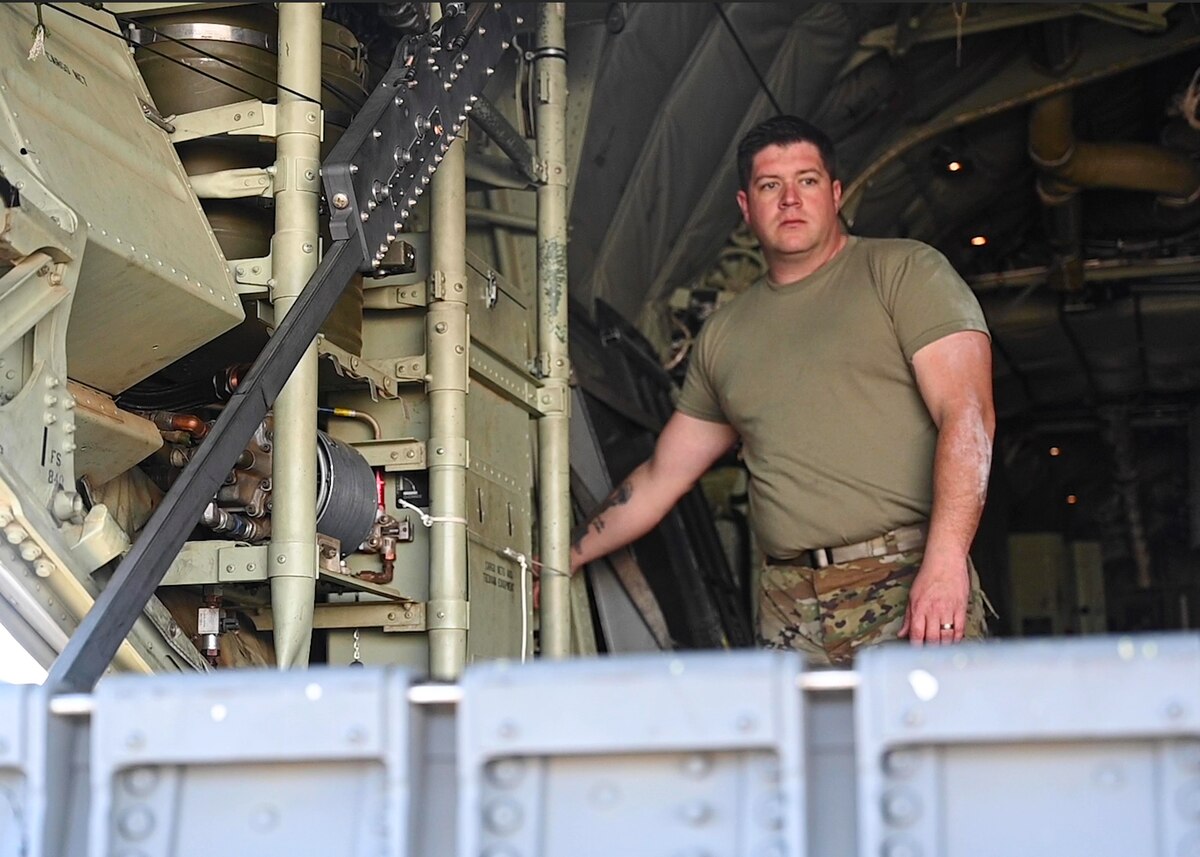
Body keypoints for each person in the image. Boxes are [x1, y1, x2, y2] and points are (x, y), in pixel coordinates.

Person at [569, 115, 995, 665]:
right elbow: (660, 478)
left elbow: (969, 416)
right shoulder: (725, 335)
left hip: (906, 578)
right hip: (789, 605)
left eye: (808, 181)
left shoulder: (904, 273)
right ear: (746, 207)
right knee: (804, 754)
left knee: (929, 747)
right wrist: (565, 555)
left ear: (836, 193)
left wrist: (945, 562)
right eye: (771, 185)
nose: (790, 200)